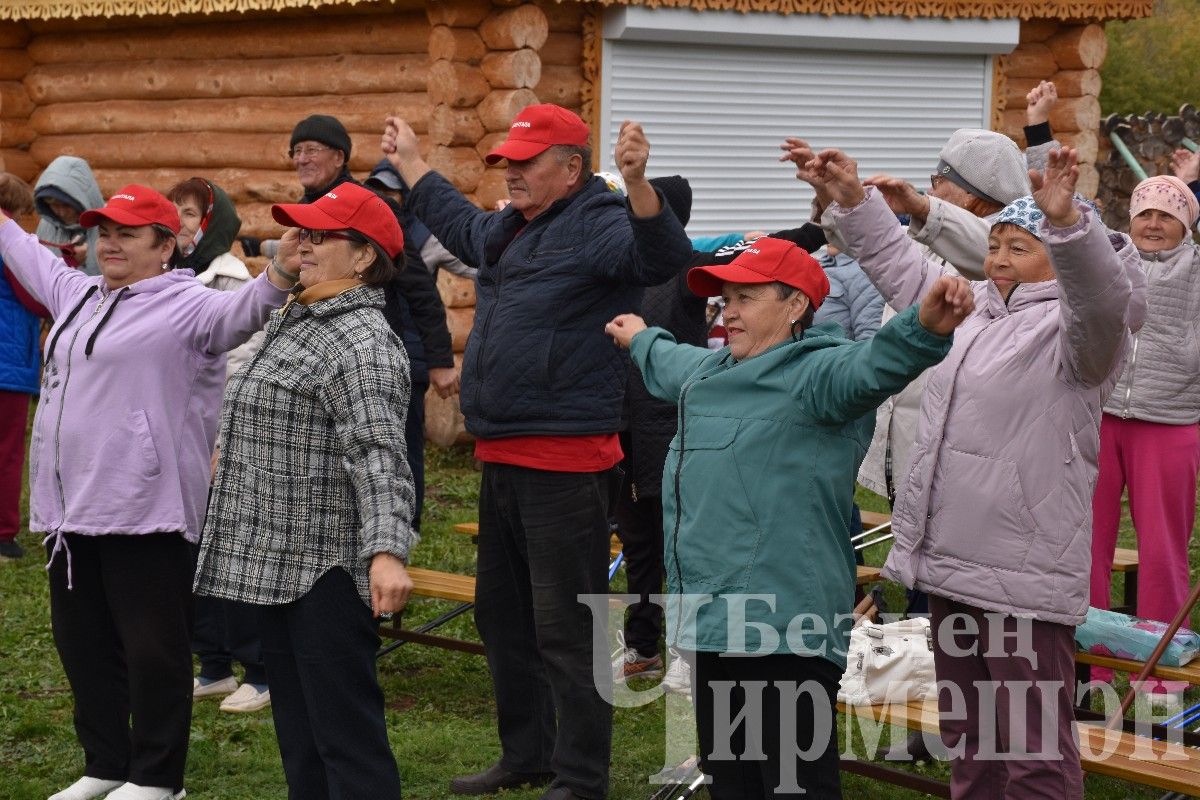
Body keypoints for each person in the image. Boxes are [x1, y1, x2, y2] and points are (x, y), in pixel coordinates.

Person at [802, 143, 1143, 799]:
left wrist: (1069, 222)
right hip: (953, 563)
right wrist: (853, 200)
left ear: (1059, 258)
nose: (1000, 260)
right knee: (972, 739)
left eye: (1021, 247)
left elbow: (1101, 298)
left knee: (1031, 752)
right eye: (997, 246)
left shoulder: (1082, 340)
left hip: (1022, 576)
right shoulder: (972, 311)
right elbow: (900, 267)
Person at [383, 103, 694, 800]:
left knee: (567, 628)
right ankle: (528, 753)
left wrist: (641, 184)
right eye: (507, 163)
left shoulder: (602, 222)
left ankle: (582, 777)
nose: (512, 172)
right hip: (502, 455)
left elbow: (663, 257)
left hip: (565, 458)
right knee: (502, 616)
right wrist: (411, 165)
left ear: (571, 167)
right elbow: (462, 224)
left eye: (526, 162)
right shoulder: (513, 226)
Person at [605, 236, 968, 798]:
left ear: (796, 305)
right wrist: (640, 337)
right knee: (733, 781)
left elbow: (875, 365)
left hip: (786, 627)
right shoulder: (714, 370)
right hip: (713, 619)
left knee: (794, 786)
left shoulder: (819, 377)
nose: (729, 312)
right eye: (725, 299)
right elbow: (672, 362)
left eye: (746, 298)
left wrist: (924, 327)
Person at [1, 184, 293, 800]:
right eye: (105, 232)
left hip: (147, 510)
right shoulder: (77, 293)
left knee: (153, 651)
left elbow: (242, 314)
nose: (110, 243)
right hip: (70, 511)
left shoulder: (189, 304)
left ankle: (159, 779)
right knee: (84, 648)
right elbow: (21, 249)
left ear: (166, 246)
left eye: (127, 233)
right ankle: (106, 765)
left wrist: (280, 274)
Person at [194, 182, 415, 799]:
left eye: (322, 235)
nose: (305, 244)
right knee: (300, 734)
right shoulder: (302, 315)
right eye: (303, 232)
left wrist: (387, 552)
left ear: (365, 256)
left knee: (346, 738)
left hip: (328, 573)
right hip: (280, 566)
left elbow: (380, 456)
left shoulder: (362, 341)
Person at [290, 114, 456, 532]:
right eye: (296, 151)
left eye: (311, 149)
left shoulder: (367, 205)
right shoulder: (307, 208)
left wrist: (438, 358)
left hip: (377, 351)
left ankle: (404, 531)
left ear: (339, 156)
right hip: (321, 354)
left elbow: (416, 281)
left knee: (395, 446)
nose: (301, 159)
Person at [1089, 174, 1200, 695]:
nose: (1154, 224)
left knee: (1162, 550)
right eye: (1145, 214)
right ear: (1130, 219)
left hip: (1171, 422)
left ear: (1186, 225)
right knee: (1084, 544)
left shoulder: (1197, 269)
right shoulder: (1111, 258)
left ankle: (1163, 676)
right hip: (1100, 415)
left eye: (1167, 216)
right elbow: (1062, 220)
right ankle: (1092, 663)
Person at [166, 176, 270, 713]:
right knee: (193, 555)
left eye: (190, 212)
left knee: (235, 555)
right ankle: (212, 664)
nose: (180, 222)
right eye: (175, 212)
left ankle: (259, 669)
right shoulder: (166, 280)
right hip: (179, 440)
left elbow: (241, 366)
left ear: (214, 222)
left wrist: (223, 441)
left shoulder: (229, 283)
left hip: (224, 443)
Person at [0, 173, 42, 562]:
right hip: (7, 364)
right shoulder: (9, 241)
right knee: (8, 450)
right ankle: (3, 535)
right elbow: (34, 293)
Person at [365, 158, 478, 279]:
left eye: (389, 193)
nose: (382, 199)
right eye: (376, 192)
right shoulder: (362, 232)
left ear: (405, 196)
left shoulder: (427, 238)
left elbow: (479, 270)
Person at [33, 155, 104, 274]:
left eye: (66, 205)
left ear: (83, 199)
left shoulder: (107, 225)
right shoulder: (46, 224)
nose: (61, 212)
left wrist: (79, 264)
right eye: (53, 205)